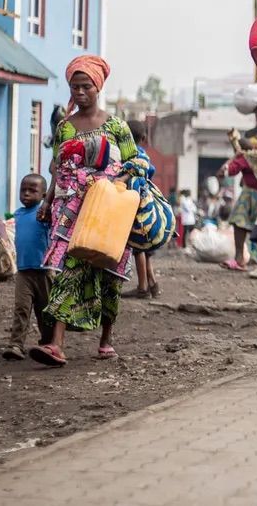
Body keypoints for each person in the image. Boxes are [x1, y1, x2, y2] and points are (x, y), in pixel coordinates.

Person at [30, 55, 139, 367]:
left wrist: (109, 182)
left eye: (86, 86)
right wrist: (48, 201)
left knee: (110, 277)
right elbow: (57, 170)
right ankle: (56, 344)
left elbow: (135, 167)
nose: (79, 92)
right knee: (68, 270)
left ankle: (106, 339)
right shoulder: (64, 128)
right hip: (71, 211)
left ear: (98, 87)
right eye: (74, 87)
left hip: (109, 212)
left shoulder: (117, 127)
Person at [218, 104, 257, 272]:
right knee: (239, 220)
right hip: (249, 188)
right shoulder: (249, 134)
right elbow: (241, 154)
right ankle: (240, 259)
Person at [2, 175, 53, 360]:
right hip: (23, 272)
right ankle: (16, 344)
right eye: (23, 190)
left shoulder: (45, 212)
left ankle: (48, 343)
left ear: (44, 195)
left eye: (32, 190)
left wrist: (48, 203)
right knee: (21, 308)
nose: (26, 194)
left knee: (45, 311)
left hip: (44, 271)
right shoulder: (18, 214)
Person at [122, 120, 161, 299]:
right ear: (144, 138)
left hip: (135, 203)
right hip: (147, 202)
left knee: (138, 247)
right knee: (145, 247)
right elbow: (150, 170)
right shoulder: (144, 154)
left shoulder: (130, 155)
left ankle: (142, 287)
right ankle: (152, 284)